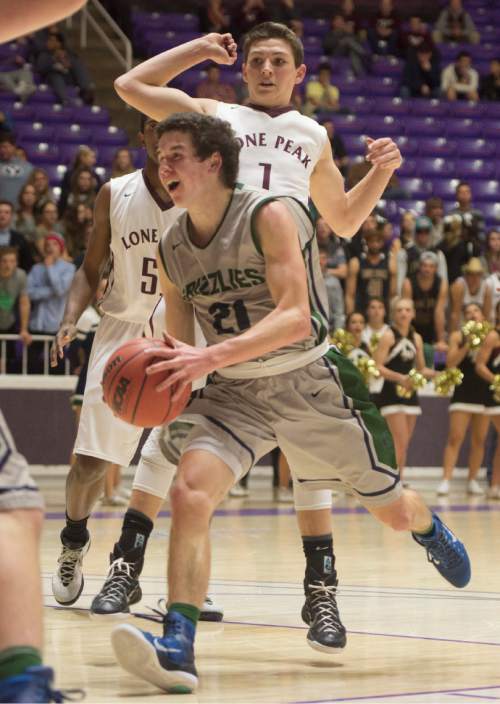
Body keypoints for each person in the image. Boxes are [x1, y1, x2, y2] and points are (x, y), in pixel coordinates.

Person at [110, 113, 470, 694]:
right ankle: (179, 642)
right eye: (160, 155)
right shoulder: (173, 243)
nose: (163, 165)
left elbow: (295, 316)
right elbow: (180, 339)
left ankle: (429, 530)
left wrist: (207, 357)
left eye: (177, 154)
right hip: (233, 393)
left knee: (392, 511)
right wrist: (168, 370)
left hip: (309, 382)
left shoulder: (268, 214)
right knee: (189, 490)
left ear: (213, 162)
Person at [109, 21, 407, 650]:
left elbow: (347, 221)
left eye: (280, 62)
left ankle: (320, 596)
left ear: (300, 75)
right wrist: (198, 50)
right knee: (173, 440)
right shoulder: (217, 115)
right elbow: (132, 84)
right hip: (212, 293)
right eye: (257, 61)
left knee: (309, 465)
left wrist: (379, 172)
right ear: (243, 69)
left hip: (285, 298)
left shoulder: (312, 134)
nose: (267, 70)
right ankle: (129, 570)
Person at [50, 115, 222, 622]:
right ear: (143, 137)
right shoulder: (115, 193)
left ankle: (187, 580)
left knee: (191, 468)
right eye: (153, 131)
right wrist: (68, 316)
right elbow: (89, 267)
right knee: (89, 465)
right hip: (122, 336)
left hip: (185, 338)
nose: (164, 143)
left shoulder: (206, 195)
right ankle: (72, 541)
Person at [374, 298, 435, 483]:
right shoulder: (388, 336)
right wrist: (401, 378)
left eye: (408, 310)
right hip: (391, 394)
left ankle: (398, 479)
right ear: (394, 314)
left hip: (410, 394)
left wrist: (439, 374)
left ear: (413, 313)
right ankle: (391, 481)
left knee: (404, 442)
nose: (404, 313)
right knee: (399, 441)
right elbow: (376, 366)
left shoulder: (416, 338)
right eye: (400, 310)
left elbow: (421, 367)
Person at [437, 303, 490, 497]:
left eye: (475, 311)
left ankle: (472, 480)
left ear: (483, 314)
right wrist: (469, 343)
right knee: (455, 436)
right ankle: (445, 480)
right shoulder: (458, 336)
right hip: (463, 391)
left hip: (484, 391)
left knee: (479, 439)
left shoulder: (490, 334)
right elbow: (450, 363)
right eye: (467, 313)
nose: (472, 315)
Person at [27, 233, 75, 373]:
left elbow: (60, 291)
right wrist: (50, 292)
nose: (50, 248)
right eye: (47, 245)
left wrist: (49, 268)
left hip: (56, 326)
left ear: (61, 248)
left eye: (54, 244)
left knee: (57, 366)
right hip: (37, 324)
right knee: (32, 366)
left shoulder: (69, 268)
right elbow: (29, 293)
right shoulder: (36, 269)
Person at [402, 251, 448, 360]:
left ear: (436, 268)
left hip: (431, 327)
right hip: (413, 326)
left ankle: (437, 372)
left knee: (439, 356)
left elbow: (439, 311)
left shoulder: (441, 283)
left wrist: (441, 339)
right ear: (419, 266)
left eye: (431, 266)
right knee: (411, 357)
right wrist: (405, 336)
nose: (427, 269)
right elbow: (406, 310)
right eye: (424, 265)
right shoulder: (408, 282)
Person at [475, 314, 500, 499]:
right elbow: (480, 365)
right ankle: (494, 484)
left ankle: (495, 485)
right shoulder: (493, 336)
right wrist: (496, 381)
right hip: (494, 396)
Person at [345, 227, 397, 315]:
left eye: (378, 241)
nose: (375, 245)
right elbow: (350, 294)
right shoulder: (356, 262)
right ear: (366, 243)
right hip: (362, 309)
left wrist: (392, 316)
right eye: (372, 241)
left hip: (383, 311)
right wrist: (350, 315)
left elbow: (392, 295)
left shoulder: (390, 262)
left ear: (382, 243)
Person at [35, 30, 93, 105]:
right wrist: (54, 59)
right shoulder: (44, 54)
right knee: (55, 76)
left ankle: (86, 89)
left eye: (52, 40)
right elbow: (40, 69)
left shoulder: (67, 53)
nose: (48, 42)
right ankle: (65, 100)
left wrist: (66, 61)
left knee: (77, 64)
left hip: (68, 77)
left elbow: (74, 64)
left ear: (59, 43)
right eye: (49, 40)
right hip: (53, 78)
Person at [397, 215, 448, 293]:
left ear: (431, 233)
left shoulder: (438, 254)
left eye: (426, 231)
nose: (423, 234)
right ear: (414, 232)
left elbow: (443, 280)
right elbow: (400, 282)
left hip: (433, 296)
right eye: (419, 231)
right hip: (410, 295)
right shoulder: (404, 253)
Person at [0, 246, 31, 373]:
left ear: (17, 262)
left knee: (8, 358)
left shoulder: (20, 276)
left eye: (12, 261)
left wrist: (24, 329)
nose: (8, 265)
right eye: (4, 261)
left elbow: (24, 302)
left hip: (9, 322)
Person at [449, 257, 491, 333]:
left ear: (481, 275)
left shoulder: (486, 289)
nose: (475, 278)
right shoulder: (459, 286)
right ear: (466, 275)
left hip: (478, 329)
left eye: (478, 274)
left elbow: (486, 316)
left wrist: (485, 334)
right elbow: (455, 315)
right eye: (472, 274)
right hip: (460, 328)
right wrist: (453, 335)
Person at [0, 133, 33, 206]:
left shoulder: (27, 167)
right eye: (1, 147)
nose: (3, 150)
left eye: (6, 147)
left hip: (20, 211)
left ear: (14, 147)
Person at [0, 200, 33, 273]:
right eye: (0, 212)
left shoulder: (20, 238)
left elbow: (27, 263)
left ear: (11, 216)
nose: (2, 215)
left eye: (6, 212)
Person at [449, 181, 485, 246]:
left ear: (470, 194)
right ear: (457, 195)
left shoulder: (477, 214)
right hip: (456, 249)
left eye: (467, 192)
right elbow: (449, 237)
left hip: (474, 247)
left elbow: (481, 236)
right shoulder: (451, 215)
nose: (464, 194)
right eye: (461, 192)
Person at [319, 245, 344, 332]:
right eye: (317, 258)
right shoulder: (305, 281)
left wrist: (338, 332)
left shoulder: (333, 282)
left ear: (327, 260)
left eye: (323, 258)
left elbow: (338, 310)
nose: (320, 261)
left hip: (330, 326)